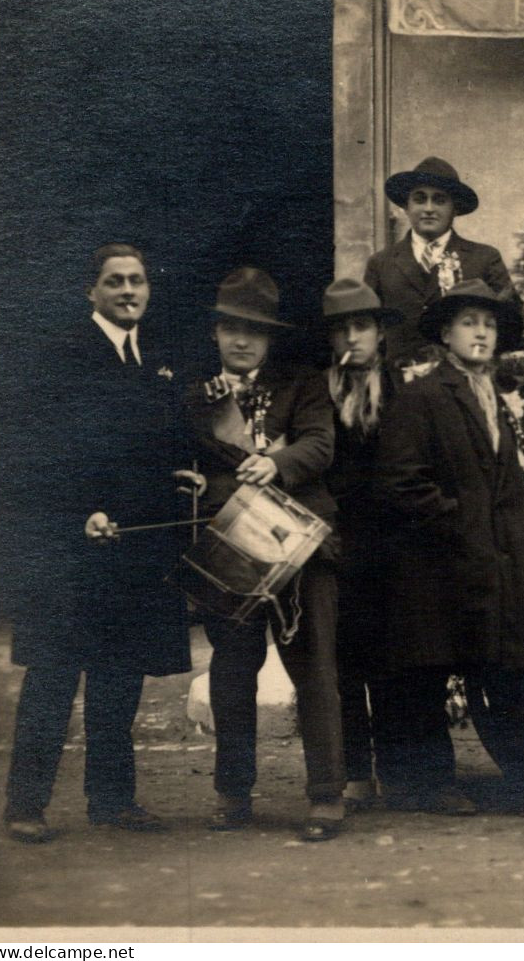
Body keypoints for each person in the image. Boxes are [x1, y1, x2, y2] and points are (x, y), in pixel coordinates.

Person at [375, 279, 524, 817]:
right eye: (470, 322)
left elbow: (508, 480)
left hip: (502, 565)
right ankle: (429, 786)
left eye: (490, 324)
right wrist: (460, 524)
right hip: (441, 565)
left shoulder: (498, 398)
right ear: (445, 334)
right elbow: (401, 482)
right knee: (429, 675)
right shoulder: (423, 396)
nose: (481, 333)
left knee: (512, 676)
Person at [3, 243, 193, 843]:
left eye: (137, 281)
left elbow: (151, 446)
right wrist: (79, 512)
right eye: (115, 282)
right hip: (69, 548)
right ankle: (24, 806)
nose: (129, 291)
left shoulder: (153, 359)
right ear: (92, 292)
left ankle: (111, 802)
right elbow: (35, 453)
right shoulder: (62, 357)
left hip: (131, 551)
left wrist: (179, 472)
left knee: (118, 677)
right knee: (54, 677)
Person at [186, 267, 345, 841]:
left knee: (316, 671)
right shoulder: (194, 397)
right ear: (216, 332)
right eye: (232, 327)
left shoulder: (304, 384)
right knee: (231, 672)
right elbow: (184, 465)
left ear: (271, 338)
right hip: (234, 551)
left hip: (301, 548)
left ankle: (326, 796)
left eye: (255, 330)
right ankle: (233, 794)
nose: (242, 339)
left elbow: (320, 444)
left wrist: (277, 463)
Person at [319, 278, 404, 811]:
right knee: (344, 660)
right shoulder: (318, 394)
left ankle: (397, 770)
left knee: (395, 660)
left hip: (395, 544)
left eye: (362, 326)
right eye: (342, 328)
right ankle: (354, 772)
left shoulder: (402, 393)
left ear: (379, 333)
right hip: (338, 543)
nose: (353, 337)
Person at [363, 156, 513, 365]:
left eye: (440, 200)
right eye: (419, 199)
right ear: (406, 206)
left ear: (455, 208)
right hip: (399, 386)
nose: (429, 208)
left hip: (463, 383)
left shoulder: (485, 258)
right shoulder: (381, 263)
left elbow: (508, 325)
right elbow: (370, 331)